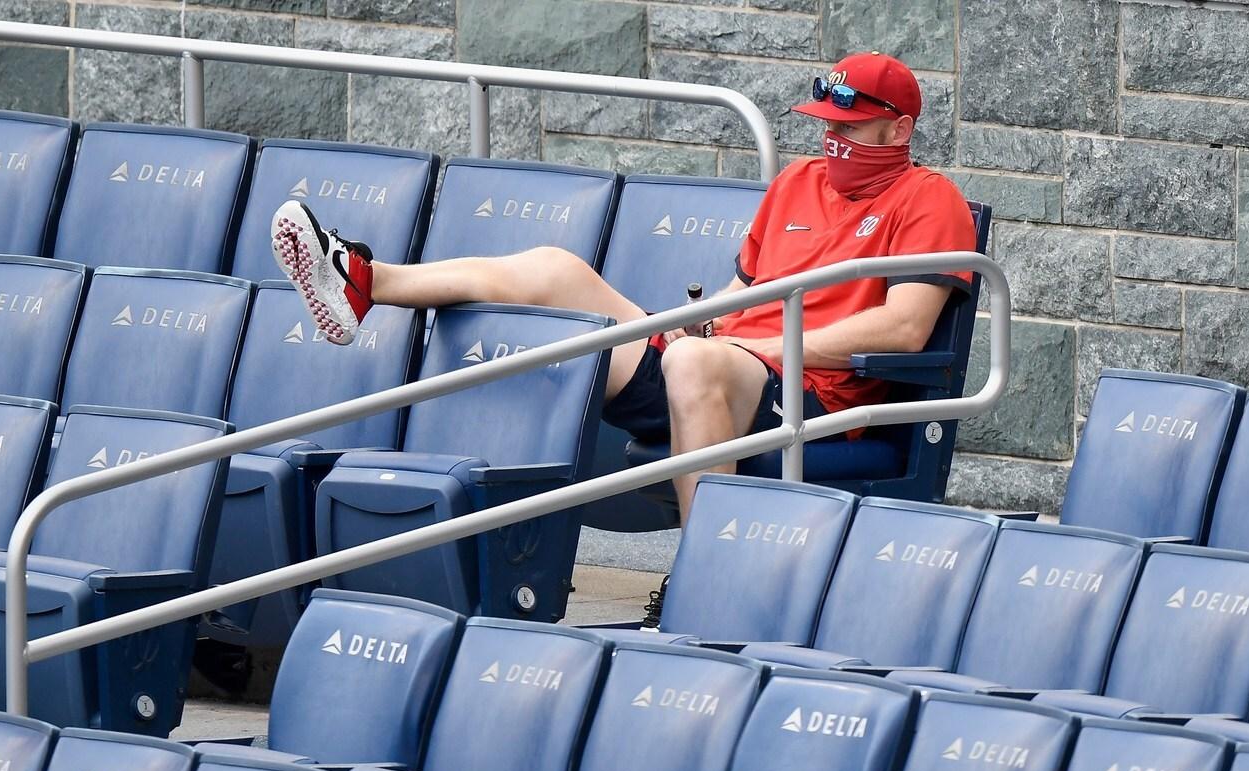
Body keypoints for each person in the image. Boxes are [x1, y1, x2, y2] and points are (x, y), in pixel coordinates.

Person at [271, 51, 976, 522]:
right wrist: (706, 323)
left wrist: (756, 342)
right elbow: (743, 286)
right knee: (554, 270)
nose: (832, 142)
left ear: (901, 127)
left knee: (694, 357)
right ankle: (366, 280)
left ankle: (705, 578)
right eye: (827, 126)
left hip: (808, 395)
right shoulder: (796, 182)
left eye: (851, 128)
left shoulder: (929, 198)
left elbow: (904, 330)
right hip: (719, 359)